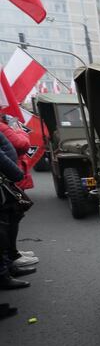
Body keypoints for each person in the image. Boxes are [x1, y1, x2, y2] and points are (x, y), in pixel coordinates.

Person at [0, 114, 38, 271]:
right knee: (9, 217)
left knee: (12, 216)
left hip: (9, 176)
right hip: (8, 177)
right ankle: (9, 260)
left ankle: (11, 256)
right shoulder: (3, 126)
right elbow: (22, 144)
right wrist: (19, 130)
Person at [0, 129, 28, 291]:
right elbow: (20, 144)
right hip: (7, 177)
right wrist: (16, 173)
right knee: (3, 230)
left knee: (8, 223)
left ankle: (8, 267)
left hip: (6, 179)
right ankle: (5, 271)